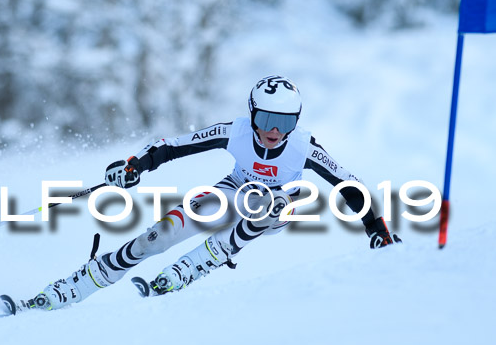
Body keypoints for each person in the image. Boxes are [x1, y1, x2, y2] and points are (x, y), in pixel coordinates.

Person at [30, 75, 401, 310]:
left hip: (283, 204)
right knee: (159, 234)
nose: (274, 131)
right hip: (234, 190)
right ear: (252, 114)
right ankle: (79, 284)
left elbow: (351, 186)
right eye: (267, 120)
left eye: (285, 122)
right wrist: (134, 167)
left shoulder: (303, 147)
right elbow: (172, 145)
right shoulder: (235, 131)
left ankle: (203, 259)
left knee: (270, 205)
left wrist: (377, 230)